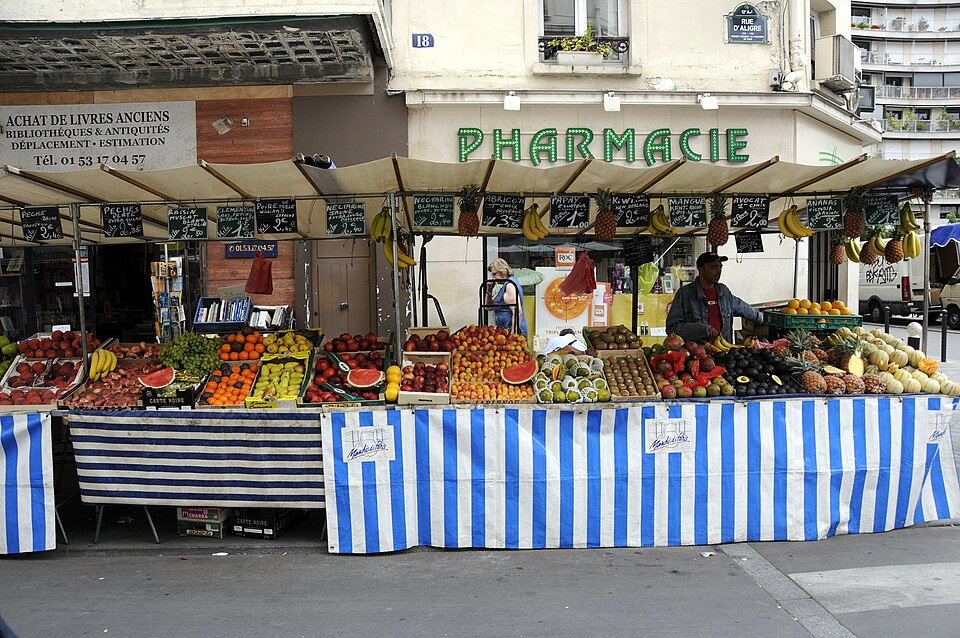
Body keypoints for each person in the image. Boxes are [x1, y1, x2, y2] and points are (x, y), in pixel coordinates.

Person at [665, 251, 763, 344]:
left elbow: (744, 309)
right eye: (714, 267)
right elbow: (672, 328)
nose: (719, 271)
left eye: (720, 267)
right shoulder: (685, 294)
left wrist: (764, 319)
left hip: (725, 353)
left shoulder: (724, 292)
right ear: (701, 270)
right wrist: (703, 329)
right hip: (698, 355)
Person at [486, 258, 528, 339]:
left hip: (510, 332)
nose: (493, 277)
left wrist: (513, 335)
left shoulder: (509, 286)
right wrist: (489, 290)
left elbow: (517, 312)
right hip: (505, 332)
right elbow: (488, 307)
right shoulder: (505, 285)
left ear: (502, 271)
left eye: (494, 274)